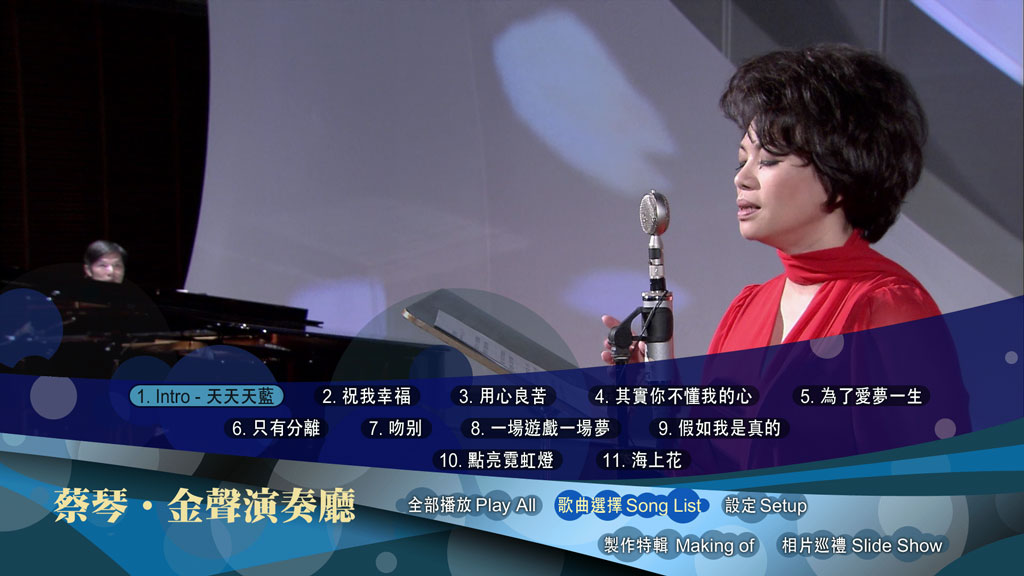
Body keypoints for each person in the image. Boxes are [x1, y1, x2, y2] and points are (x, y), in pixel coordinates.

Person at [603, 44, 938, 362]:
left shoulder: (890, 309)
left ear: (839, 174)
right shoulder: (747, 308)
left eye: (768, 160)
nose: (742, 178)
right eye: (742, 161)